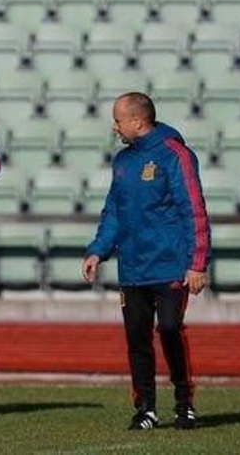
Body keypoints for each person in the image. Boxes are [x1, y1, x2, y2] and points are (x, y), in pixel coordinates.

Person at [81, 92, 211, 432]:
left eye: (118, 120)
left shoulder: (175, 155)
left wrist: (197, 262)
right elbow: (114, 213)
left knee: (168, 328)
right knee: (137, 339)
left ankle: (185, 403)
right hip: (133, 267)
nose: (115, 127)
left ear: (137, 122)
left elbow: (193, 209)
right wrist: (98, 250)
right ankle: (146, 409)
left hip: (169, 264)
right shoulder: (123, 162)